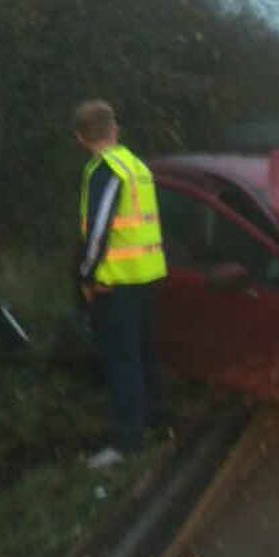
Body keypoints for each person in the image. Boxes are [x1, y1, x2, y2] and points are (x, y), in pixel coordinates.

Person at [74, 99, 168, 460]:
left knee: (122, 361)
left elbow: (99, 230)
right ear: (114, 128)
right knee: (144, 355)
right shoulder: (136, 165)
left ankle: (127, 442)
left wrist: (86, 275)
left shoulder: (106, 169)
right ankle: (154, 421)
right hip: (146, 276)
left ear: (80, 137)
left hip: (117, 282)